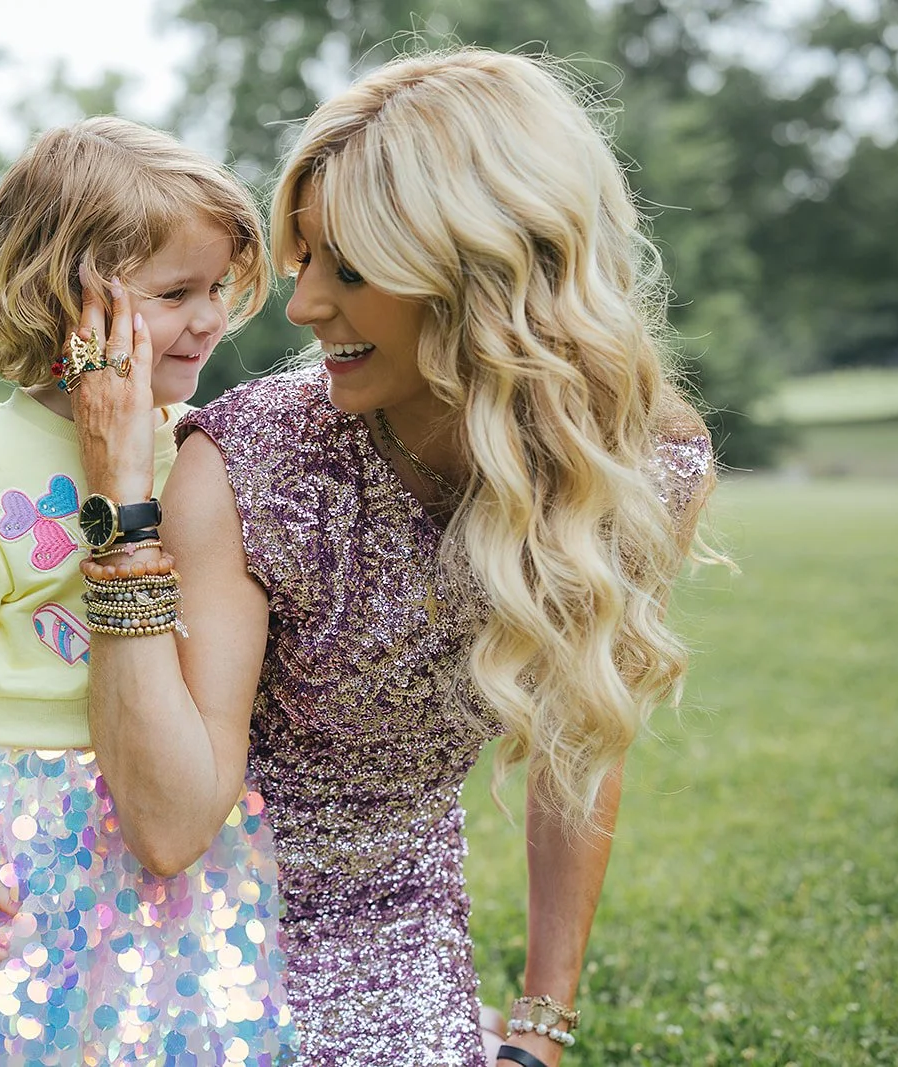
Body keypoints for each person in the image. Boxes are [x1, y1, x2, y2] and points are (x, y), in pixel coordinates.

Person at [69, 49, 720, 1067]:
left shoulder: (643, 466)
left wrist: (542, 1025)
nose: (303, 306)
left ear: (483, 276)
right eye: (306, 259)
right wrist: (119, 500)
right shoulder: (252, 458)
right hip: (194, 925)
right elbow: (166, 825)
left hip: (401, 929)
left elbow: (582, 738)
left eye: (352, 270)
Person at [0, 116, 297, 1067]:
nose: (211, 318)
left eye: (217, 289)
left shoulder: (198, 450)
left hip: (167, 794)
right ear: (69, 299)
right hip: (18, 820)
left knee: (164, 1030)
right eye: (177, 293)